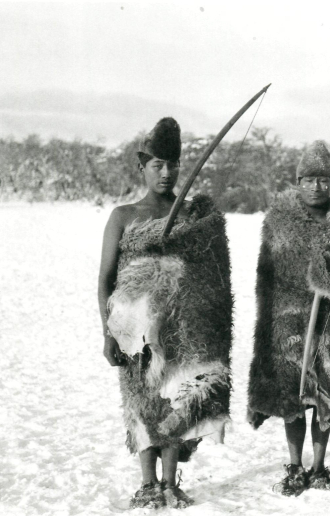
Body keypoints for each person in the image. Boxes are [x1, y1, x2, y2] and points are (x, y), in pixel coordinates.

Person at [98, 118, 233, 509]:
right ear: (142, 167)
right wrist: (108, 334)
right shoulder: (124, 216)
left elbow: (213, 272)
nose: (166, 172)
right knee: (141, 401)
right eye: (157, 164)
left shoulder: (191, 215)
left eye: (173, 164)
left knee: (178, 398)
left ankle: (171, 482)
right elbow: (106, 279)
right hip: (134, 330)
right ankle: (147, 482)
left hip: (183, 324)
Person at [246, 140, 330, 496]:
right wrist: (269, 322)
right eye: (309, 180)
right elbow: (267, 275)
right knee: (293, 395)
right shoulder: (279, 220)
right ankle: (294, 465)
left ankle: (319, 466)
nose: (316, 187)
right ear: (298, 181)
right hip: (287, 321)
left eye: (324, 181)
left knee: (324, 391)